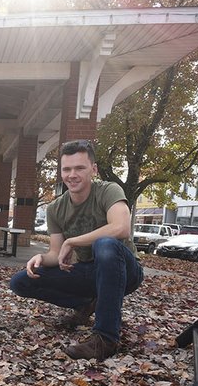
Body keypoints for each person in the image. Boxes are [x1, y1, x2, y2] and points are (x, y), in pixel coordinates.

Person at [9, 139, 144, 361]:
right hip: (89, 272)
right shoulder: (56, 208)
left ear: (93, 169)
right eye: (67, 169)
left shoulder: (108, 190)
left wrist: (72, 242)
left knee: (105, 244)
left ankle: (105, 338)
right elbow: (55, 253)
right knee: (20, 281)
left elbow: (121, 228)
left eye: (80, 168)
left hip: (124, 270)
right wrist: (40, 258)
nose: (72, 174)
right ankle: (85, 304)